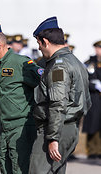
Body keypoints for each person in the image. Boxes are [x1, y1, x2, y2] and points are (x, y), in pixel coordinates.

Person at [0, 21, 42, 174]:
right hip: (5, 128)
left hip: (22, 128)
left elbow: (46, 82)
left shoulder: (20, 63)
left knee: (20, 169)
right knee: (6, 168)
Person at [29, 16, 91, 174]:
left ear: (46, 41)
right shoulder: (74, 61)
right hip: (68, 127)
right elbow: (86, 102)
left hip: (55, 128)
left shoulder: (59, 67)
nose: (39, 48)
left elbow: (58, 104)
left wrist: (53, 138)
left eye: (39, 43)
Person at [82, 40, 101, 160]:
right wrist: (94, 86)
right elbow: (85, 80)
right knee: (93, 123)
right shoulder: (90, 63)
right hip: (95, 98)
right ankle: (93, 151)